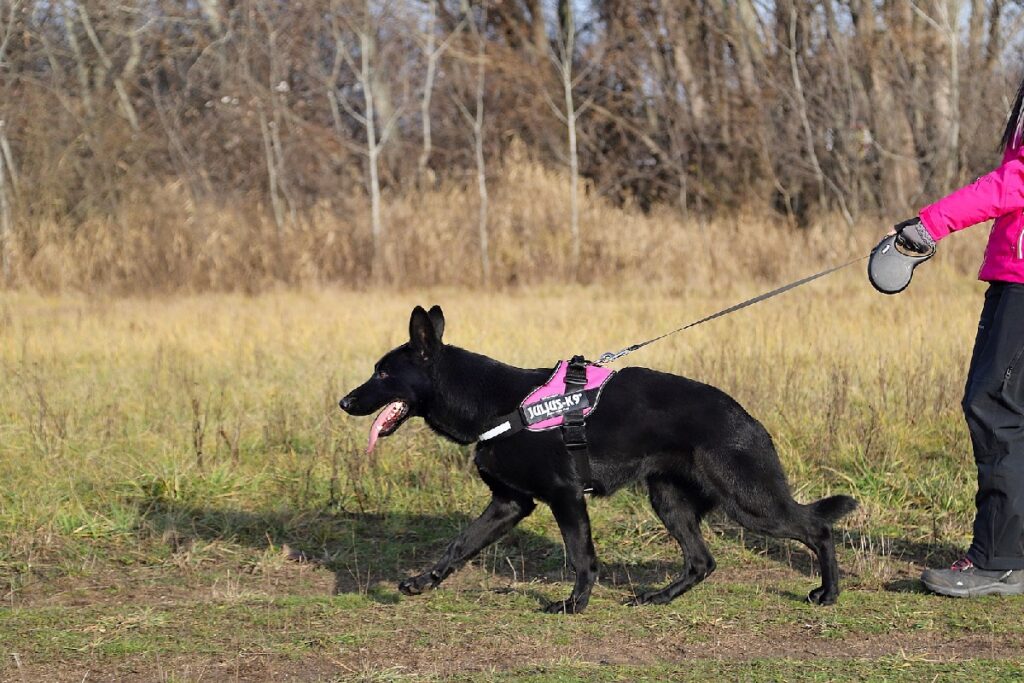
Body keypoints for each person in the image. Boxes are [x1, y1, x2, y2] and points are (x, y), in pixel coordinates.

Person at [893, 75, 1024, 597]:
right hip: (1013, 274)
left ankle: (1001, 560)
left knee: (993, 406)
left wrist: (932, 224)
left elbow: (1015, 182)